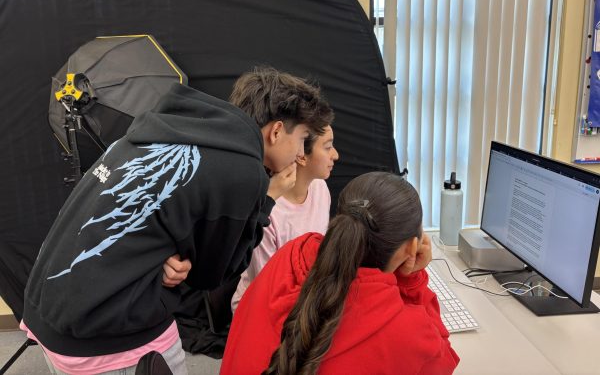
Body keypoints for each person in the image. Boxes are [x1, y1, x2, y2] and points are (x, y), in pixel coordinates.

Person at [21, 67, 333, 374]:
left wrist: (163, 255)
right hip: (105, 333)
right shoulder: (242, 171)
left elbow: (147, 216)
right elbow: (212, 276)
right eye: (302, 138)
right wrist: (267, 199)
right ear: (276, 131)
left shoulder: (164, 129)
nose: (299, 153)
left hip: (45, 309)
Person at [221, 171, 460, 375]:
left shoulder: (294, 253)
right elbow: (442, 361)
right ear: (411, 248)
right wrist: (412, 281)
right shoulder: (406, 332)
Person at [231, 125, 339, 313]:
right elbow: (268, 287)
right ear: (301, 156)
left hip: (308, 298)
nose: (335, 155)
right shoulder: (267, 212)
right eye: (328, 147)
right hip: (263, 307)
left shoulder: (320, 189)